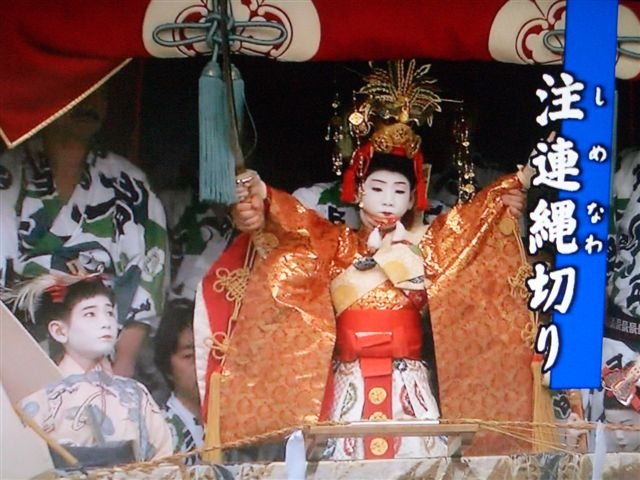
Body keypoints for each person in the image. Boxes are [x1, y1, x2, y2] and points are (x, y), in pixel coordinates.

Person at [200, 61, 537, 459]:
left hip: (409, 382)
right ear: (358, 193)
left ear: (414, 198)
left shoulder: (429, 246)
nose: (389, 199)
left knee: (420, 465)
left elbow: (470, 225)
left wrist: (511, 190)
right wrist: (261, 194)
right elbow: (297, 222)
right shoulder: (336, 243)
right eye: (377, 187)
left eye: (400, 190)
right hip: (350, 380)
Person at [0, 87, 168, 378]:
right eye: (80, 90)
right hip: (15, 345)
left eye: (99, 94)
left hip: (101, 349)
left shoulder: (129, 183)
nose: (90, 103)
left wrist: (124, 360)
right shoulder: (9, 171)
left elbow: (150, 277)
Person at [7, 274, 172, 463]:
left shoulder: (135, 394)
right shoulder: (41, 399)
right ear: (59, 331)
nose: (105, 323)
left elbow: (164, 458)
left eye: (109, 313)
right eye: (90, 314)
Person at [154, 299, 204, 464]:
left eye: (207, 352)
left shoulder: (234, 428)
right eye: (189, 356)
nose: (200, 363)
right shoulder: (160, 431)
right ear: (168, 367)